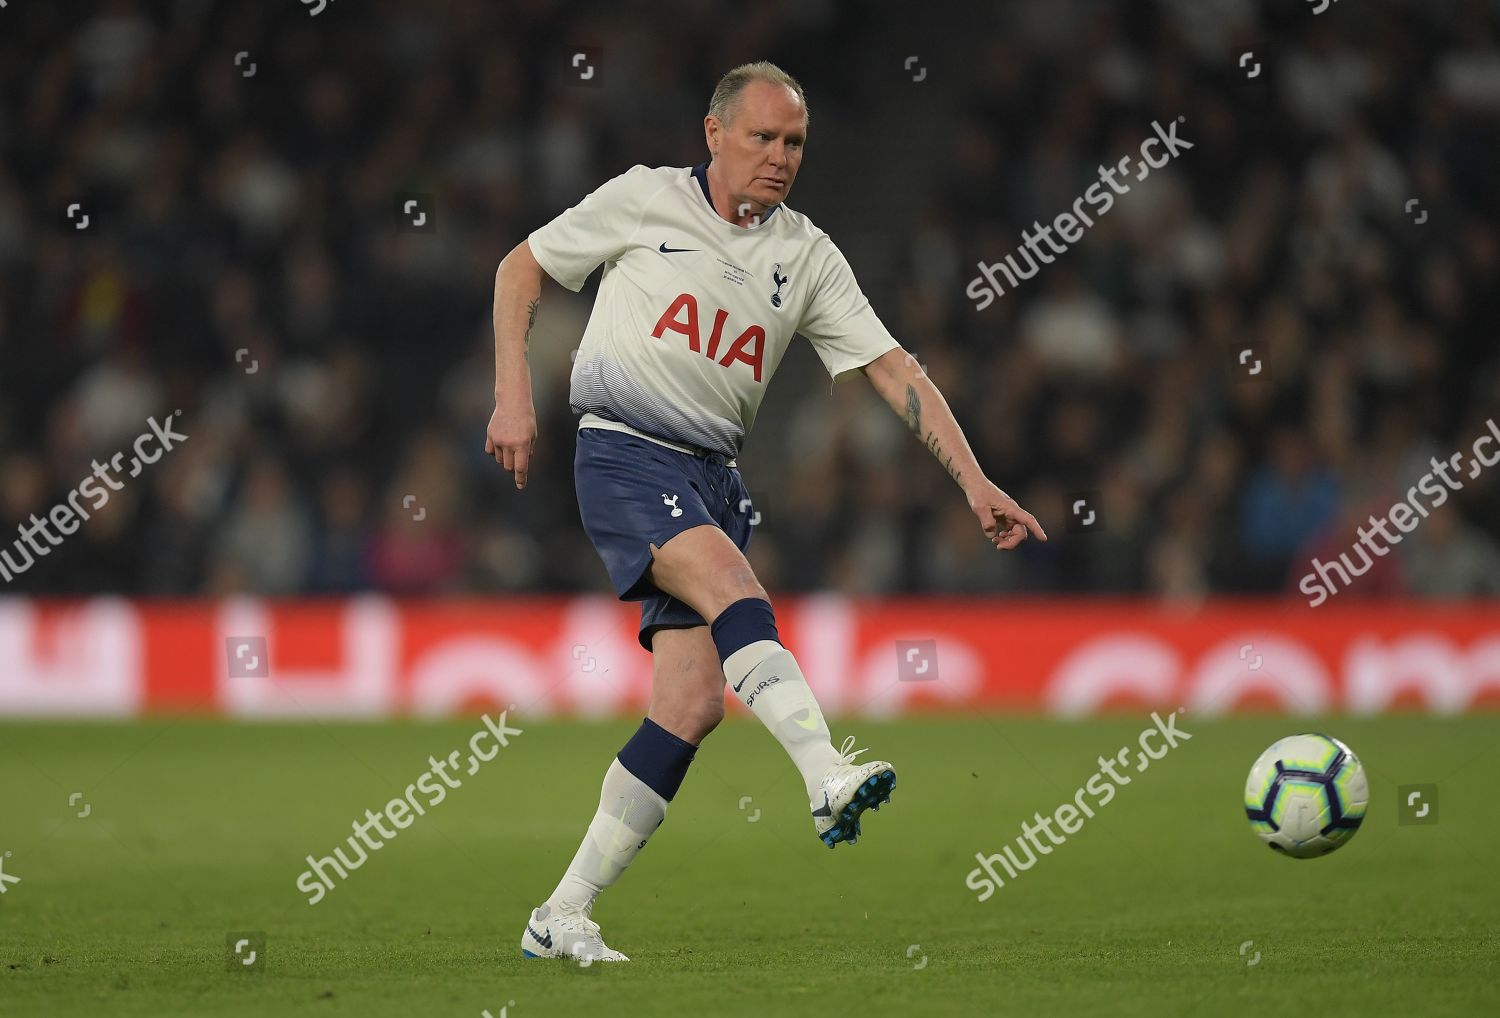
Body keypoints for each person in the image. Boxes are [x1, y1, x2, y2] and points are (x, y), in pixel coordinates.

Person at [485, 61, 1046, 962]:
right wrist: (514, 394)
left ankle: (563, 913)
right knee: (737, 584)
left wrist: (973, 482)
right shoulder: (644, 200)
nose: (781, 157)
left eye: (794, 143)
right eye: (763, 137)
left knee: (692, 703)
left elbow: (895, 370)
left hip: (713, 476)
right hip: (624, 449)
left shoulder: (809, 255)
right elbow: (523, 268)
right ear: (714, 134)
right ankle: (826, 773)